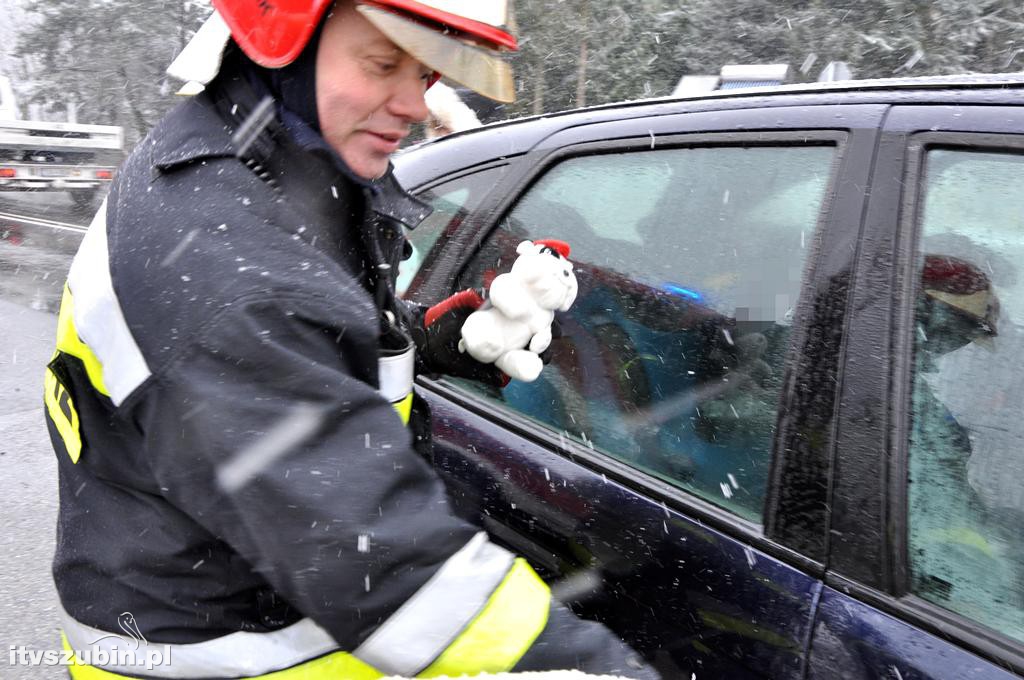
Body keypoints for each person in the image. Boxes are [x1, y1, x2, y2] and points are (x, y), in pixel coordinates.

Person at [42, 1, 658, 677]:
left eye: (426, 71)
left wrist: (440, 340)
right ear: (284, 33)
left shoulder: (266, 167)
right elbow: (384, 566)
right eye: (383, 62)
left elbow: (303, 345)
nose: (411, 102)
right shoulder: (222, 263)